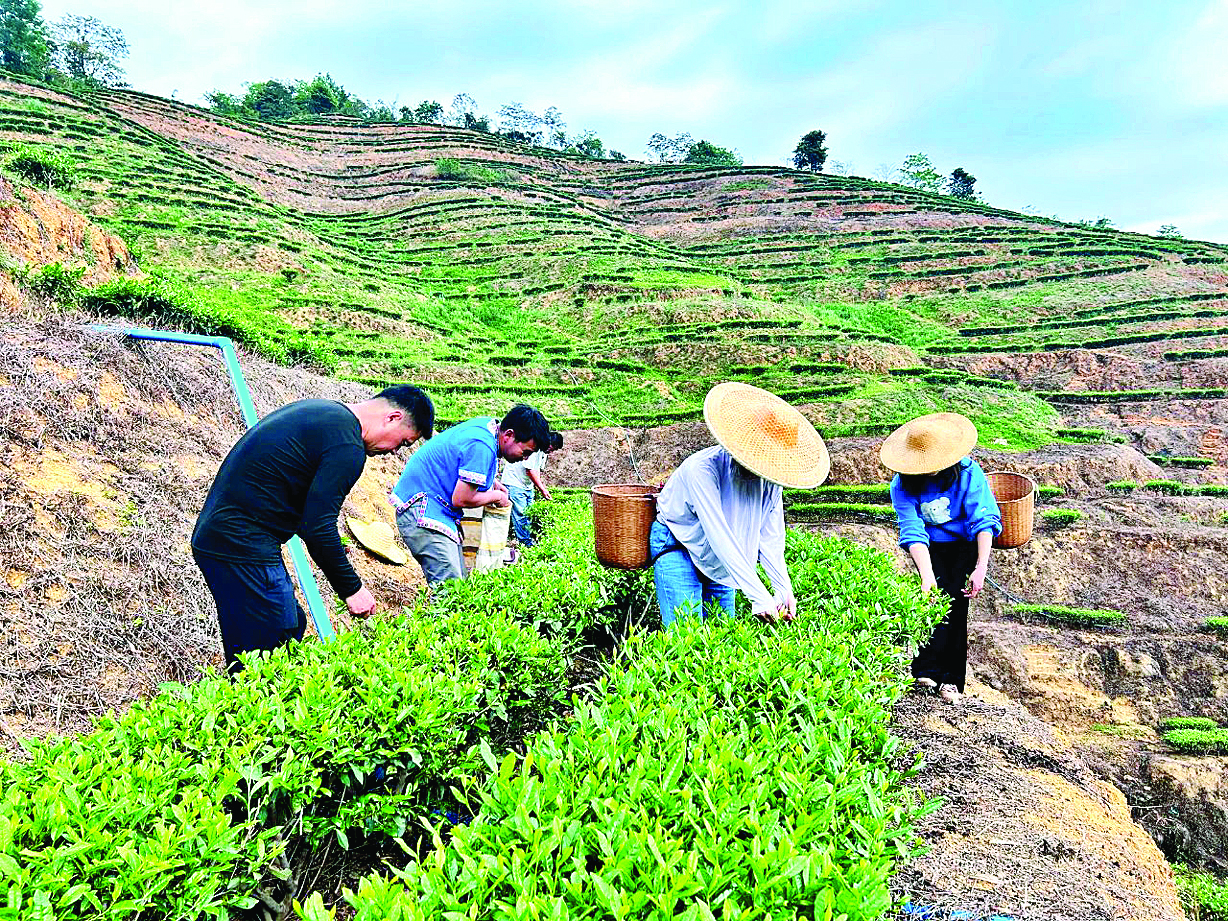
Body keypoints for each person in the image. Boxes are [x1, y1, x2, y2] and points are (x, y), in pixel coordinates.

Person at [192, 386, 435, 673]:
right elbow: (317, 526)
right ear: (393, 418)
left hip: (228, 538)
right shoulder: (348, 446)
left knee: (288, 626)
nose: (393, 451)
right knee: (267, 650)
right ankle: (242, 712)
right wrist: (352, 590)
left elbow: (290, 496)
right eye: (403, 442)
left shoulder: (324, 411)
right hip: (241, 545)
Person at [650, 382, 829, 627]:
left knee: (722, 636)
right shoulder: (702, 470)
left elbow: (770, 538)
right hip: (680, 545)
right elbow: (718, 533)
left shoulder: (771, 482)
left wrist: (782, 589)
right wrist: (757, 595)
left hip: (725, 558)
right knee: (686, 636)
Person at [880, 412, 1002, 705]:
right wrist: (927, 576)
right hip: (930, 548)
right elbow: (913, 531)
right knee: (931, 601)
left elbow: (983, 520)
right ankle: (925, 672)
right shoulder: (902, 485)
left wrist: (980, 567)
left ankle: (951, 680)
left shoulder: (969, 473)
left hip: (964, 544)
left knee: (957, 607)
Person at [391, 403, 549, 586]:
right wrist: (497, 497)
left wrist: (492, 483)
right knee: (449, 587)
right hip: (423, 510)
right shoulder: (482, 445)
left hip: (432, 507)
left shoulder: (488, 429)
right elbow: (462, 499)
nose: (525, 459)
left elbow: (464, 466)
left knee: (459, 582)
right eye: (526, 452)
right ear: (509, 435)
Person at [503, 430, 563, 547]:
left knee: (529, 514)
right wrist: (542, 489)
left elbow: (537, 470)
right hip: (514, 482)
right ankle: (525, 544)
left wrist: (536, 487)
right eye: (552, 447)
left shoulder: (544, 453)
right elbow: (529, 470)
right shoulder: (535, 447)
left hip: (526, 485)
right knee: (521, 515)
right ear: (547, 441)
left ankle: (529, 540)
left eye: (554, 449)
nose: (551, 450)